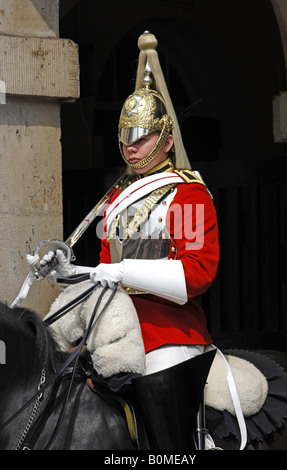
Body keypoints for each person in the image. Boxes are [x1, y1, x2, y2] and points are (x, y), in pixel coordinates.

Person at [38, 32, 219, 449]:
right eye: (126, 138)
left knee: (161, 399)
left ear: (167, 141)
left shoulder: (186, 194)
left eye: (141, 138)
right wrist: (69, 272)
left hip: (168, 334)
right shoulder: (117, 199)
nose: (130, 148)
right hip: (114, 330)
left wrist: (122, 270)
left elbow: (198, 274)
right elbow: (104, 271)